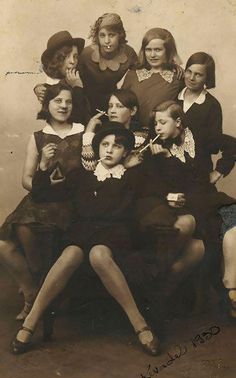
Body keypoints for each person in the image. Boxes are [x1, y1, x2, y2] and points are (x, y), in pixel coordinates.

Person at [11, 123, 159, 357]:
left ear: (126, 152)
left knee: (98, 254)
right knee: (70, 253)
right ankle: (31, 322)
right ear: (98, 147)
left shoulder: (131, 177)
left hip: (115, 235)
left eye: (117, 146)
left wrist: (133, 168)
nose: (109, 150)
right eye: (105, 145)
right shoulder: (81, 176)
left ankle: (139, 324)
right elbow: (42, 193)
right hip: (82, 232)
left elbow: (156, 190)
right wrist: (42, 166)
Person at [0, 83, 85, 321]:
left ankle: (41, 293)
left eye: (68, 101)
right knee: (4, 243)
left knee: (32, 232)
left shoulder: (82, 132)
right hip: (40, 199)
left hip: (69, 203)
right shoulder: (37, 137)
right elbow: (26, 180)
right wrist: (43, 165)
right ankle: (32, 291)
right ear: (46, 105)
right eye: (58, 101)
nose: (64, 106)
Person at [148, 100, 236, 315]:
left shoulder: (198, 135)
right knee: (209, 239)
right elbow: (155, 188)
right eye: (155, 123)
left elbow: (232, 145)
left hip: (208, 199)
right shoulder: (158, 149)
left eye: (162, 122)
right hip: (188, 207)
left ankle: (231, 288)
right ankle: (228, 293)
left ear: (178, 122)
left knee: (232, 228)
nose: (157, 128)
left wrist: (219, 172)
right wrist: (163, 159)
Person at [178, 52, 235, 183]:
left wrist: (218, 171)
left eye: (198, 74)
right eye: (189, 72)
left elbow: (216, 143)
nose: (191, 78)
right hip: (170, 171)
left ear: (207, 78)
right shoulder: (175, 96)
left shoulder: (211, 105)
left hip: (197, 172)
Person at [122, 28, 183, 126]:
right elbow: (121, 104)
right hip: (131, 130)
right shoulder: (132, 75)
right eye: (148, 50)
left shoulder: (176, 78)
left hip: (159, 134)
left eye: (158, 50)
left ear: (168, 51)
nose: (152, 55)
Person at [78, 13, 138, 115]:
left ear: (120, 35)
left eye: (111, 35)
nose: (107, 41)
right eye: (102, 35)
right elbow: (67, 76)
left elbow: (140, 75)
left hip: (113, 104)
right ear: (97, 37)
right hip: (85, 103)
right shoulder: (86, 55)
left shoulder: (129, 53)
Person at [81, 89, 148, 171]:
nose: (112, 111)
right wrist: (89, 132)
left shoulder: (141, 134)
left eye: (119, 106)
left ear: (133, 111)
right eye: (110, 106)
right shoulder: (101, 133)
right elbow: (90, 166)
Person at [34, 30, 90, 125]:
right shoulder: (51, 86)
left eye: (75, 56)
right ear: (56, 59)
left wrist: (78, 86)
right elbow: (76, 119)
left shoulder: (80, 78)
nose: (73, 61)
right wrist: (78, 89)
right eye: (67, 56)